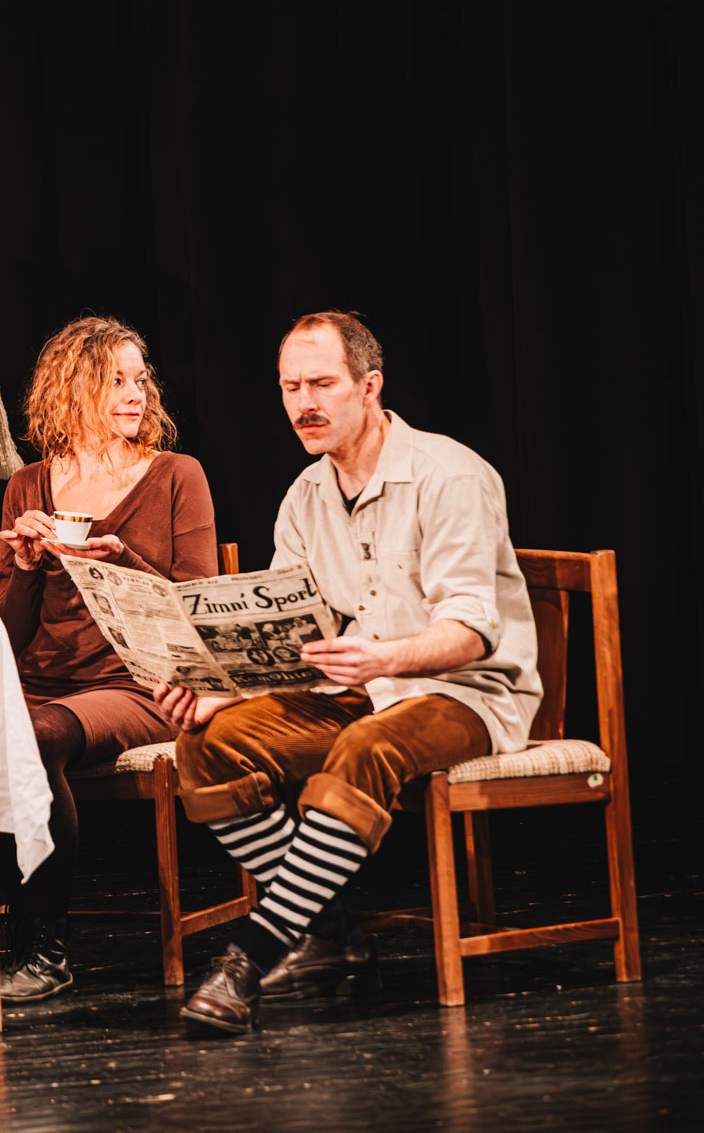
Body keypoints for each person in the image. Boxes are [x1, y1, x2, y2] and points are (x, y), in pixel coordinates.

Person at [157, 310, 541, 1035]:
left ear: (370, 387)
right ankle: (328, 929)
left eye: (322, 384)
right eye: (290, 387)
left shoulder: (449, 476)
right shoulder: (306, 494)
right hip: (352, 690)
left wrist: (386, 657)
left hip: (461, 693)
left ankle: (249, 958)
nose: (304, 403)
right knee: (207, 746)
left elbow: (473, 631)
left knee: (365, 746)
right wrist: (220, 691)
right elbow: (285, 637)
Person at [0, 316, 217, 1001]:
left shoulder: (176, 475)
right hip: (39, 680)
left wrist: (124, 562)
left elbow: (198, 612)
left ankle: (45, 946)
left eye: (139, 380)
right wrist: (25, 565)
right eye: (115, 381)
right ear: (70, 391)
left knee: (35, 737)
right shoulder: (27, 486)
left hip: (139, 685)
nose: (134, 394)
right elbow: (9, 634)